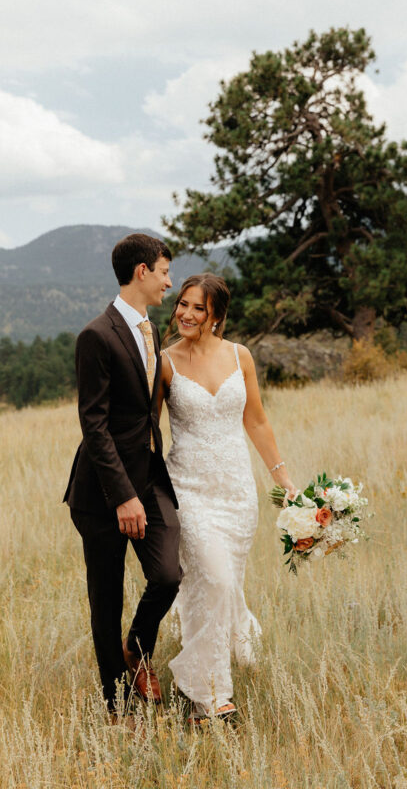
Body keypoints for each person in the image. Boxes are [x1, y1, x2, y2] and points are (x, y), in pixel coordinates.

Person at [159, 273, 297, 720]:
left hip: (238, 493)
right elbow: (146, 431)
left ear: (216, 314)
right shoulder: (164, 363)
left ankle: (208, 674)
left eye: (198, 307)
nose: (185, 313)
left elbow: (256, 421)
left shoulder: (241, 356)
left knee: (221, 585)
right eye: (182, 304)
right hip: (190, 489)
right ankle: (209, 694)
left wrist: (283, 479)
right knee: (215, 579)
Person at [64, 233, 181, 717]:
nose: (168, 282)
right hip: (101, 492)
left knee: (169, 574)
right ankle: (117, 706)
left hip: (149, 474)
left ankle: (137, 647)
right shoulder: (97, 334)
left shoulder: (152, 331)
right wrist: (122, 497)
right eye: (164, 272)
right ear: (141, 272)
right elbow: (93, 423)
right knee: (105, 597)